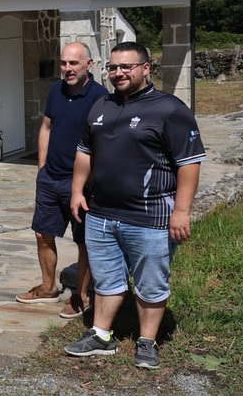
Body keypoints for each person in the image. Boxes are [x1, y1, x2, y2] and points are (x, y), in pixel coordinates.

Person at [64, 41, 205, 369]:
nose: (118, 73)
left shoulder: (170, 109)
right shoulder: (100, 105)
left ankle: (147, 341)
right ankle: (101, 335)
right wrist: (77, 191)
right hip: (100, 214)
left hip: (151, 217)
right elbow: (85, 152)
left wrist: (181, 211)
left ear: (145, 68)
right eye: (113, 68)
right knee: (107, 279)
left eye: (126, 67)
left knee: (151, 282)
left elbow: (189, 163)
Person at [16, 42, 108, 319]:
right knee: (43, 233)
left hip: (81, 183)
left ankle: (81, 296)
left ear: (89, 65)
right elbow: (46, 127)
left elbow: (103, 144)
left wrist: (89, 180)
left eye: (74, 64)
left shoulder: (100, 98)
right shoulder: (56, 89)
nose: (67, 69)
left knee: (83, 242)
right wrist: (42, 166)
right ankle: (48, 288)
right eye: (64, 63)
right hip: (50, 178)